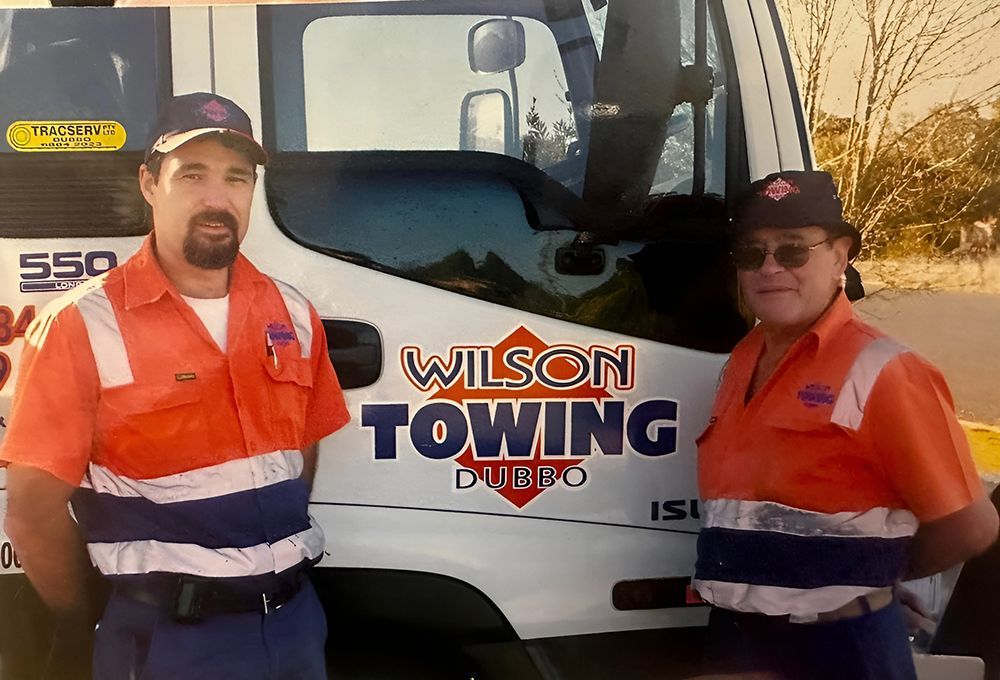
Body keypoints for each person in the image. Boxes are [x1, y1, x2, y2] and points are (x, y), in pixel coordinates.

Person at [1, 92, 350, 679]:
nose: (217, 199)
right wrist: (89, 622)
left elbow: (300, 454)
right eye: (192, 174)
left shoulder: (291, 312)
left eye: (237, 178)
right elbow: (33, 511)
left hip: (295, 627)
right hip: (163, 643)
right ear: (148, 184)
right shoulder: (81, 325)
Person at [693, 170, 999, 679]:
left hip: (837, 646)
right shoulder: (740, 361)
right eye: (753, 253)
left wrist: (872, 581)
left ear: (840, 254)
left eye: (793, 250)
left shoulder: (885, 370)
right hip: (737, 635)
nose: (770, 268)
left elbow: (972, 527)